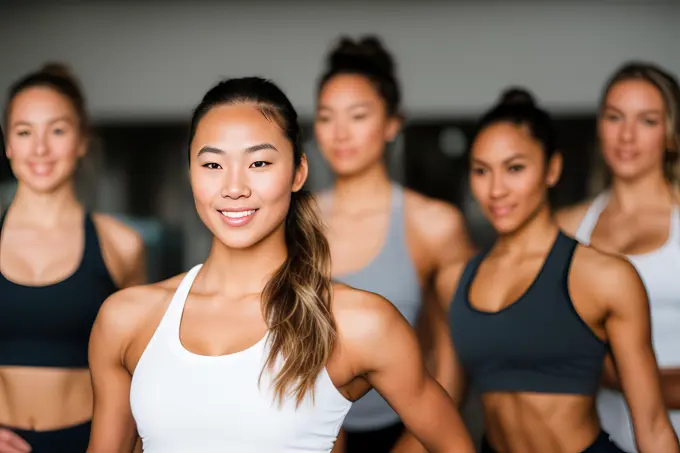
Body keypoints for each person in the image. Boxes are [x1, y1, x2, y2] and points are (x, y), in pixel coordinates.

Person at [85, 76, 476, 453]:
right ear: (191, 173)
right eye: (212, 165)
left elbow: (454, 445)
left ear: (298, 172)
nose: (234, 187)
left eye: (258, 163)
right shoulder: (127, 319)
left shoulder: (358, 321)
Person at [431, 88, 679, 453]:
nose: (496, 189)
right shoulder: (453, 281)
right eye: (481, 171)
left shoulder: (606, 277)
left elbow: (653, 427)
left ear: (553, 169)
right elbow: (437, 409)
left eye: (515, 168)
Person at [313, 35, 474, 453]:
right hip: (306, 433)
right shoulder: (292, 222)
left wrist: (418, 442)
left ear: (392, 124)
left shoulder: (433, 223)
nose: (340, 133)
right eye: (327, 117)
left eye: (358, 115)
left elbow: (457, 349)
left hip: (405, 429)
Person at [0, 64, 146, 452]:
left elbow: (144, 368)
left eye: (58, 130)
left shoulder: (122, 244)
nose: (40, 149)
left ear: (81, 141)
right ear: (8, 143)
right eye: (24, 132)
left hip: (91, 442)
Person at [556, 61, 680, 452]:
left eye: (647, 120)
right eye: (615, 117)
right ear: (599, 126)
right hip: (597, 437)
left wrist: (620, 375)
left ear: (671, 134)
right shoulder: (567, 226)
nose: (626, 135)